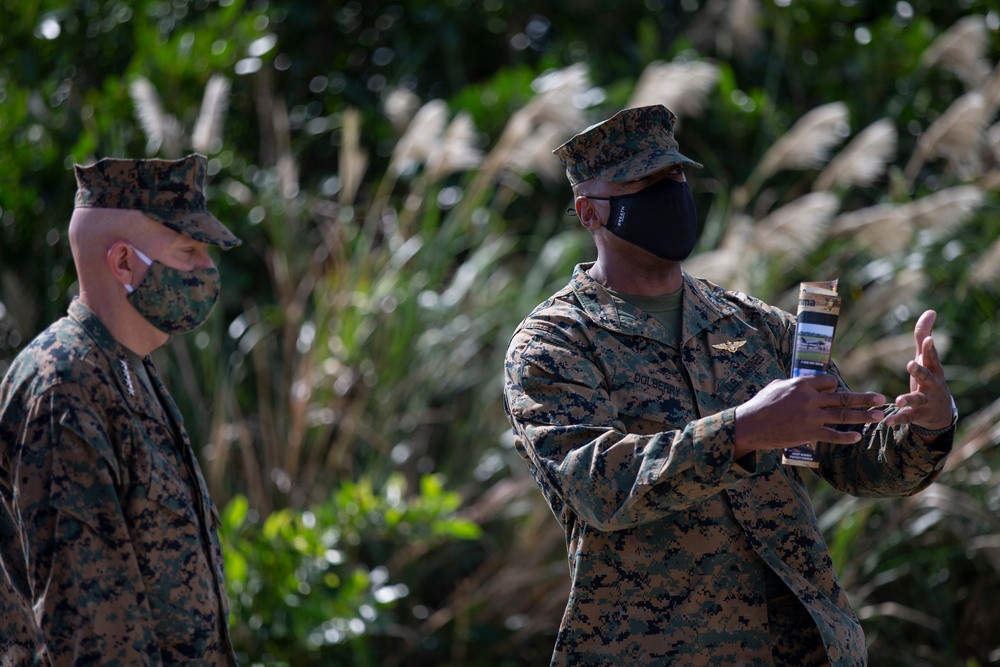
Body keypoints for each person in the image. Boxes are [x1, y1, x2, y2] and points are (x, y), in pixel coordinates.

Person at [502, 105, 957, 666]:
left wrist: (929, 424)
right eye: (643, 183)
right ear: (589, 211)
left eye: (675, 176)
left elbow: (857, 463)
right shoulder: (555, 343)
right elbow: (598, 488)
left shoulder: (756, 326)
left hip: (803, 647)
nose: (668, 193)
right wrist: (743, 430)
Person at [0, 154, 242, 665]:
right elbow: (92, 636)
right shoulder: (65, 386)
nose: (207, 268)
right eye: (189, 249)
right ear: (124, 263)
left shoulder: (128, 369)